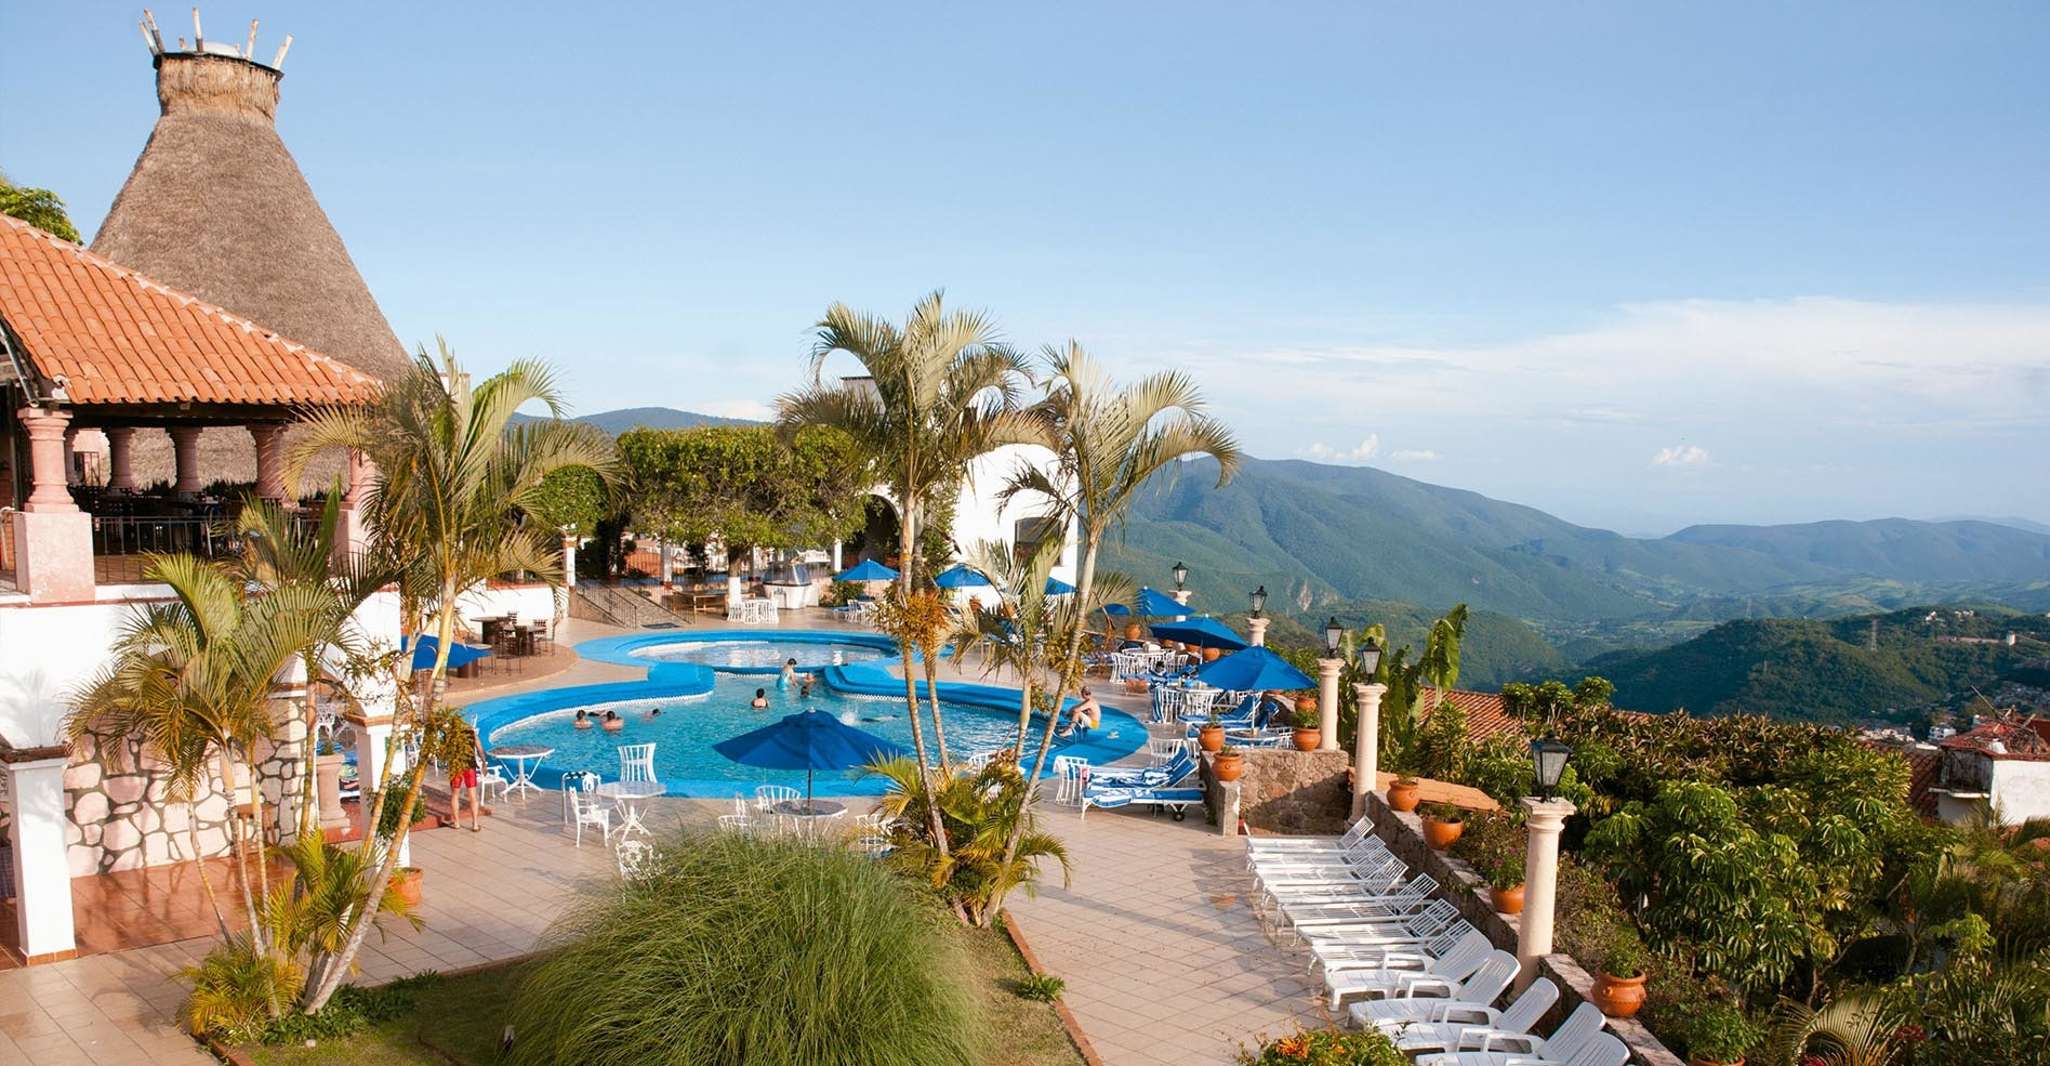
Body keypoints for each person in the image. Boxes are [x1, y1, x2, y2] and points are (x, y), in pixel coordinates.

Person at [449, 720, 485, 832]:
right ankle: (474, 824)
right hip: (469, 767)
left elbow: (445, 751)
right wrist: (484, 762)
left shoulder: (450, 735)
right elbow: (480, 749)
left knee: (455, 795)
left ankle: (457, 823)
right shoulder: (471, 733)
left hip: (455, 766)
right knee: (473, 797)